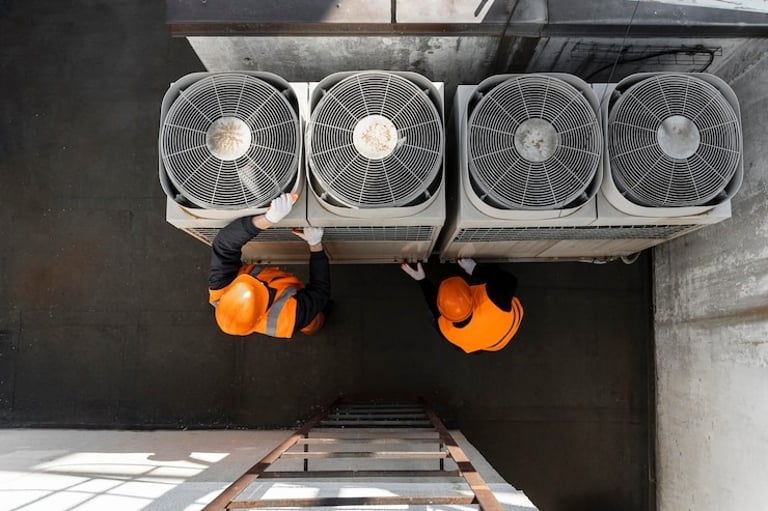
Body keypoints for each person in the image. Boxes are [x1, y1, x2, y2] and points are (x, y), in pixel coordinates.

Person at [208, 192, 330, 338]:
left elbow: (224, 244)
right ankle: (315, 325)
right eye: (261, 287)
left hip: (285, 288)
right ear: (261, 315)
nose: (260, 282)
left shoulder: (221, 288)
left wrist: (268, 219)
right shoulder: (287, 320)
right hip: (298, 311)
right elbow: (320, 290)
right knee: (313, 320)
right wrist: (315, 245)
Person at [400, 258, 523, 353]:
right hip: (510, 323)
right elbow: (510, 280)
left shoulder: (446, 330)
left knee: (434, 317)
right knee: (496, 279)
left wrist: (422, 280)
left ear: (443, 311)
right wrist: (475, 269)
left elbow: (433, 304)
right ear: (470, 295)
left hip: (491, 346)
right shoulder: (494, 300)